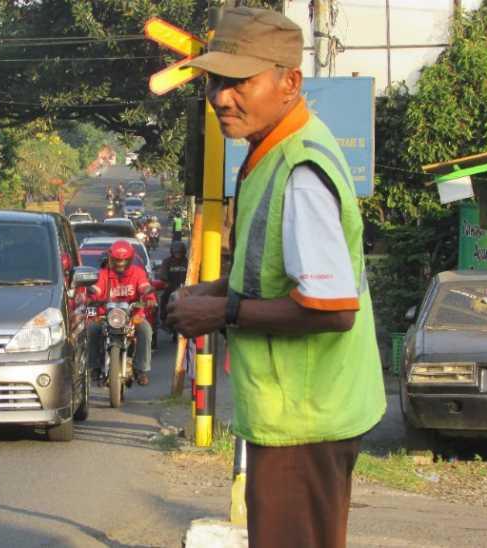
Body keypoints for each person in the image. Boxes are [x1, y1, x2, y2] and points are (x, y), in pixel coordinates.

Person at [167, 8, 385, 548]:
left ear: (290, 82)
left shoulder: (301, 172)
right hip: (295, 418)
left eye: (240, 81)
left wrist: (220, 311)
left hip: (305, 423)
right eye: (216, 80)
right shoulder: (271, 153)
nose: (221, 96)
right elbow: (272, 270)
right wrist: (211, 291)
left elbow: (332, 308)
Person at [86, 240, 156, 386]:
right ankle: (94, 367)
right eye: (116, 260)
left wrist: (149, 298)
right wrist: (90, 295)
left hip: (132, 316)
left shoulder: (138, 273)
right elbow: (96, 289)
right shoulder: (104, 274)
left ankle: (140, 369)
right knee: (91, 330)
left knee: (146, 330)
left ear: (129, 260)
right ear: (110, 259)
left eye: (123, 261)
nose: (119, 264)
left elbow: (144, 287)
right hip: (106, 316)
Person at [158, 241, 188, 327]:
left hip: (184, 287)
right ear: (172, 252)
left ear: (184, 252)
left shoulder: (187, 262)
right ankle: (163, 319)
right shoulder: (167, 262)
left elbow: (193, 272)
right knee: (164, 298)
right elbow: (162, 273)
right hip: (171, 286)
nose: (178, 255)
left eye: (180, 253)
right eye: (176, 252)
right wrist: (165, 280)